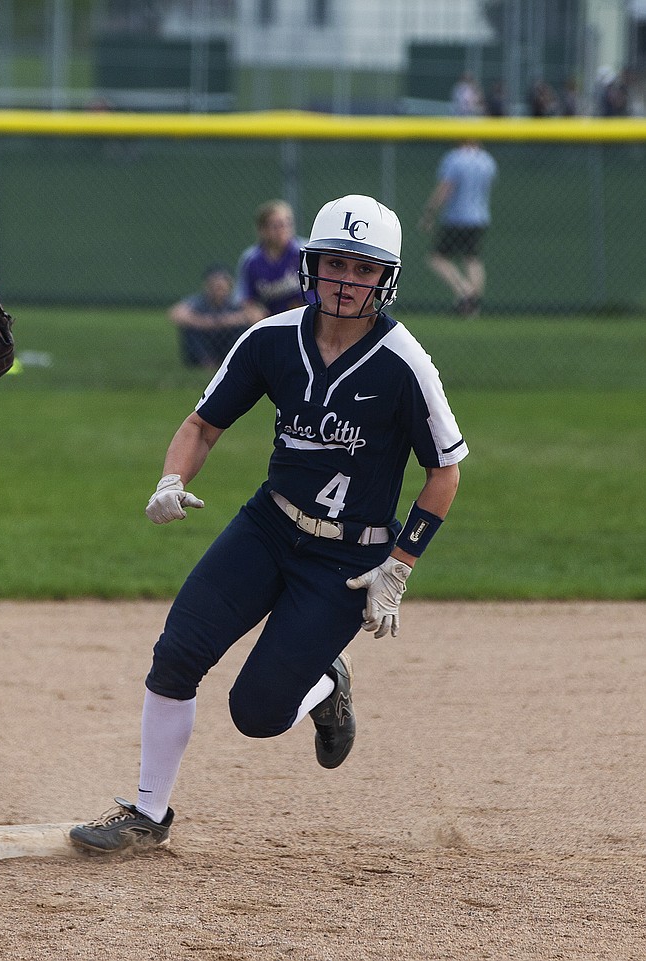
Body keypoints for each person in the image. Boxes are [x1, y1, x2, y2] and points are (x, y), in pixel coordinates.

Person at [69, 194, 466, 854]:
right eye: (335, 262)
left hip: (347, 558)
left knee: (255, 714)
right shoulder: (272, 337)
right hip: (270, 525)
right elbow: (202, 424)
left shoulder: (405, 363)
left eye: (363, 268)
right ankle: (147, 813)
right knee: (177, 655)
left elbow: (444, 471)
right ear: (311, 264)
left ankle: (323, 684)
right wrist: (173, 479)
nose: (346, 279)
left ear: (386, 278)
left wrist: (398, 566)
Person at [419, 139, 498, 317]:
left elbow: (445, 188)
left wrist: (430, 213)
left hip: (457, 218)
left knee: (436, 258)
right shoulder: (487, 160)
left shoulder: (455, 158)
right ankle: (473, 307)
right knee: (472, 259)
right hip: (479, 217)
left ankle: (466, 292)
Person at [234, 199, 306, 324]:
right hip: (269, 321)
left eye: (287, 223)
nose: (283, 229)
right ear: (262, 229)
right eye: (276, 225)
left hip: (303, 319)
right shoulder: (251, 260)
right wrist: (253, 311)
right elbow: (245, 300)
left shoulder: (304, 252)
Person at [168, 264, 251, 370]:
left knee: (241, 329)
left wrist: (228, 320)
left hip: (226, 340)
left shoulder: (235, 302)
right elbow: (175, 313)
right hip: (205, 341)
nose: (218, 288)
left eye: (221, 285)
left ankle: (232, 358)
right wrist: (205, 322)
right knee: (190, 330)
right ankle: (205, 361)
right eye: (215, 285)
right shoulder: (199, 301)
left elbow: (255, 315)